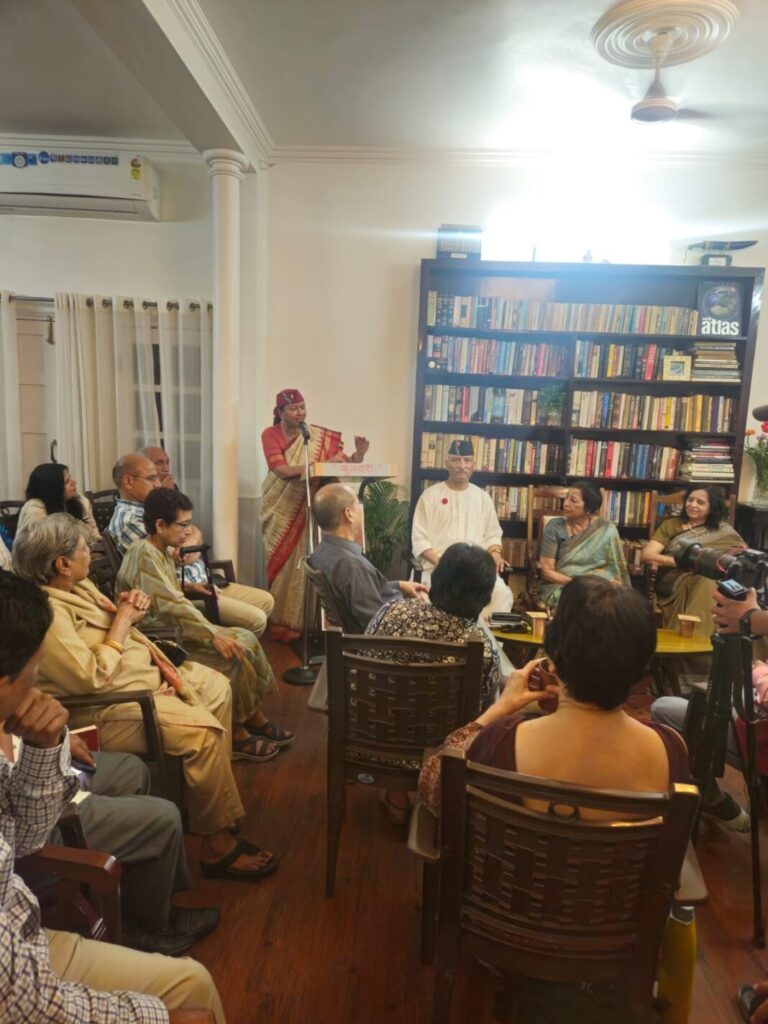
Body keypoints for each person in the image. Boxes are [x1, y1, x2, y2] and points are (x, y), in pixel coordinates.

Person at [0, 568, 226, 1022]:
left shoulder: (81, 591)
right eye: (34, 670)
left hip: (22, 931)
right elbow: (23, 1005)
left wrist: (45, 747)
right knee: (192, 990)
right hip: (21, 963)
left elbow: (21, 838)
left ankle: (144, 909)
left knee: (135, 770)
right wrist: (156, 1017)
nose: (38, 685)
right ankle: (153, 915)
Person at [12, 515, 278, 884]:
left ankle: (201, 801)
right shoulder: (51, 613)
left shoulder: (78, 586)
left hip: (138, 676)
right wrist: (123, 621)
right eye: (84, 548)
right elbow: (89, 677)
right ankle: (216, 846)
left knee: (218, 687)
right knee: (204, 734)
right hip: (112, 705)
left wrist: (129, 606)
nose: (91, 552)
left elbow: (113, 622)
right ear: (62, 564)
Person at [419, 575, 688, 817]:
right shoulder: (671, 749)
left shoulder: (501, 740)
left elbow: (433, 793)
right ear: (642, 667)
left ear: (554, 655)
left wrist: (498, 709)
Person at [116, 488, 292, 758]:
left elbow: (165, 592)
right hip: (158, 638)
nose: (188, 531)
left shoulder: (159, 549)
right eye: (183, 525)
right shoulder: (145, 554)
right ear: (160, 525)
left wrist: (189, 586)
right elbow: (171, 605)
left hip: (172, 627)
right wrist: (212, 636)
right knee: (232, 654)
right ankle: (236, 732)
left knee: (244, 638)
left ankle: (253, 715)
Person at [59, 738, 220, 955]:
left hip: (41, 768)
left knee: (131, 770)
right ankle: (148, 928)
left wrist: (60, 740)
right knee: (164, 819)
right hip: (37, 811)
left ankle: (138, 911)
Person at [260, 388, 370, 641]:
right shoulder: (270, 434)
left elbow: (341, 464)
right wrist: (317, 466)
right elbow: (281, 470)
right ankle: (284, 624)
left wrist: (359, 455)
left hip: (313, 506)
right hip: (283, 508)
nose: (300, 412)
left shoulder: (316, 436)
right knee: (287, 565)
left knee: (312, 560)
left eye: (302, 407)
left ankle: (310, 626)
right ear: (280, 412)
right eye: (293, 408)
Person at [367, 542, 505, 711]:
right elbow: (485, 712)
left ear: (436, 578)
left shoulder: (391, 611)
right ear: (485, 597)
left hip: (371, 721)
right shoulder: (483, 650)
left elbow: (365, 658)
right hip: (442, 729)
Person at [411, 439, 513, 615]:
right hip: (437, 568)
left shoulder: (483, 498)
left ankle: (482, 634)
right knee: (424, 598)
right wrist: (442, 564)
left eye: (467, 460)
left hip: (475, 570)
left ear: (473, 465)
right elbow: (419, 539)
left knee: (502, 594)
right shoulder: (429, 496)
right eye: (456, 460)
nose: (462, 466)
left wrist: (496, 555)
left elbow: (492, 535)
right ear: (446, 464)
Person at [309, 483, 427, 632]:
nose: (361, 509)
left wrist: (398, 586)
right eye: (357, 503)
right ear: (348, 514)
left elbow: (361, 592)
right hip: (388, 635)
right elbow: (377, 624)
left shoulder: (322, 552)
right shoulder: (350, 565)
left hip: (387, 618)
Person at [642, 484, 745, 637]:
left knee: (713, 581)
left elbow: (742, 557)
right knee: (707, 580)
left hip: (712, 581)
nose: (693, 505)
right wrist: (684, 562)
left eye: (700, 502)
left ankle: (708, 639)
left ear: (712, 507)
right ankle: (697, 640)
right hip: (674, 580)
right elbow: (647, 554)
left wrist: (708, 565)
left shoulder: (723, 530)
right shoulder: (670, 525)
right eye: (690, 500)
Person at [537, 479, 629, 610]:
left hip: (599, 587)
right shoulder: (555, 527)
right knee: (576, 599)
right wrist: (579, 584)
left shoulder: (606, 529)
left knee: (609, 602)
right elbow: (546, 571)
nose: (566, 503)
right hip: (562, 585)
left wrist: (595, 586)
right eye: (566, 498)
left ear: (589, 509)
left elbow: (616, 571)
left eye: (573, 500)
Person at [176, 524, 275, 637]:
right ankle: (225, 644)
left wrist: (188, 546)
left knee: (266, 601)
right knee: (257, 620)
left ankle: (236, 641)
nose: (187, 528)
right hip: (194, 594)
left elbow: (195, 532)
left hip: (210, 583)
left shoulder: (178, 522)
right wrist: (185, 552)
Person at [18, 462, 100, 541]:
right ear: (52, 488)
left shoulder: (78, 501)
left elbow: (96, 537)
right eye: (67, 482)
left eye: (70, 478)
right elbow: (40, 546)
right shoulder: (34, 510)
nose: (74, 483)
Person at [106, 453, 162, 557]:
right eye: (151, 478)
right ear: (128, 482)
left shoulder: (147, 511)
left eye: (158, 478)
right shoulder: (130, 520)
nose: (158, 484)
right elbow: (173, 556)